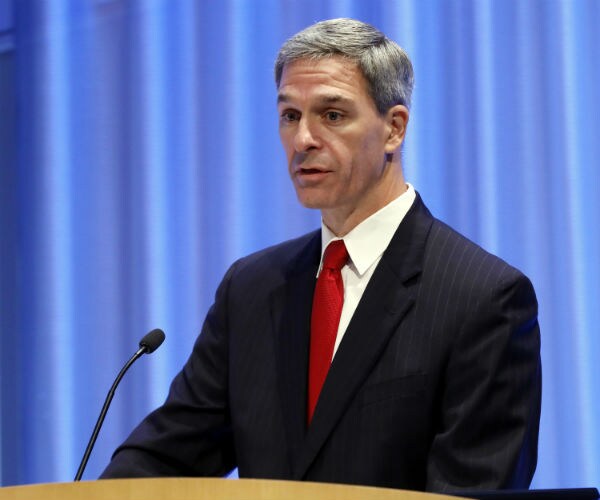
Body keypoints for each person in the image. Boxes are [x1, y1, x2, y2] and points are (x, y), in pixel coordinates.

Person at [100, 18, 541, 493]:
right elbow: (168, 454)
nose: (303, 139)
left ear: (394, 129)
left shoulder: (483, 297)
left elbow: (471, 487)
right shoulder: (251, 288)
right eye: (290, 115)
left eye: (331, 115)